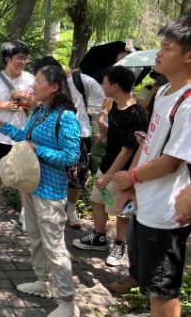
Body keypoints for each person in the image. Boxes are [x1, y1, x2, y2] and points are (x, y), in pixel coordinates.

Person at [0, 65, 81, 317]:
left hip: (51, 190)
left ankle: (68, 302)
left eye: (38, 83)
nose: (32, 87)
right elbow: (25, 138)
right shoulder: (38, 111)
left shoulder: (66, 117)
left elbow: (71, 157)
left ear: (55, 87)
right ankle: (43, 282)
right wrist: (0, 123)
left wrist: (39, 150)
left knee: (54, 245)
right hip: (30, 184)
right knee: (36, 238)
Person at [113, 17, 191, 316]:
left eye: (167, 48)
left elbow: (171, 162)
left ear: (188, 56)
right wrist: (131, 184)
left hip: (165, 210)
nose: (158, 53)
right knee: (154, 286)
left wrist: (131, 176)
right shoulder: (165, 92)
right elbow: (149, 144)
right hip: (148, 200)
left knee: (162, 291)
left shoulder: (188, 103)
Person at [72, 66, 147, 267]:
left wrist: (109, 176)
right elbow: (114, 131)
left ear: (115, 86)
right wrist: (102, 132)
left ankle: (120, 245)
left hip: (123, 171)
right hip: (107, 165)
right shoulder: (114, 104)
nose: (101, 86)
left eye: (104, 83)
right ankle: (99, 237)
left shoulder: (136, 114)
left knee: (121, 210)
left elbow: (127, 151)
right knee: (98, 199)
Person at [33, 56, 107, 228]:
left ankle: (71, 210)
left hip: (79, 134)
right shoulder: (44, 87)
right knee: (47, 170)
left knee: (77, 176)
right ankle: (49, 208)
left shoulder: (81, 80)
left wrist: (101, 123)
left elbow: (105, 97)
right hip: (51, 134)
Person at [0, 41, 35, 231]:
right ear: (8, 59)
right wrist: (2, 106)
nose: (23, 62)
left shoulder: (30, 79)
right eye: (20, 58)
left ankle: (25, 212)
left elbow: (37, 105)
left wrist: (23, 97)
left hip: (21, 134)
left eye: (25, 58)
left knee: (22, 174)